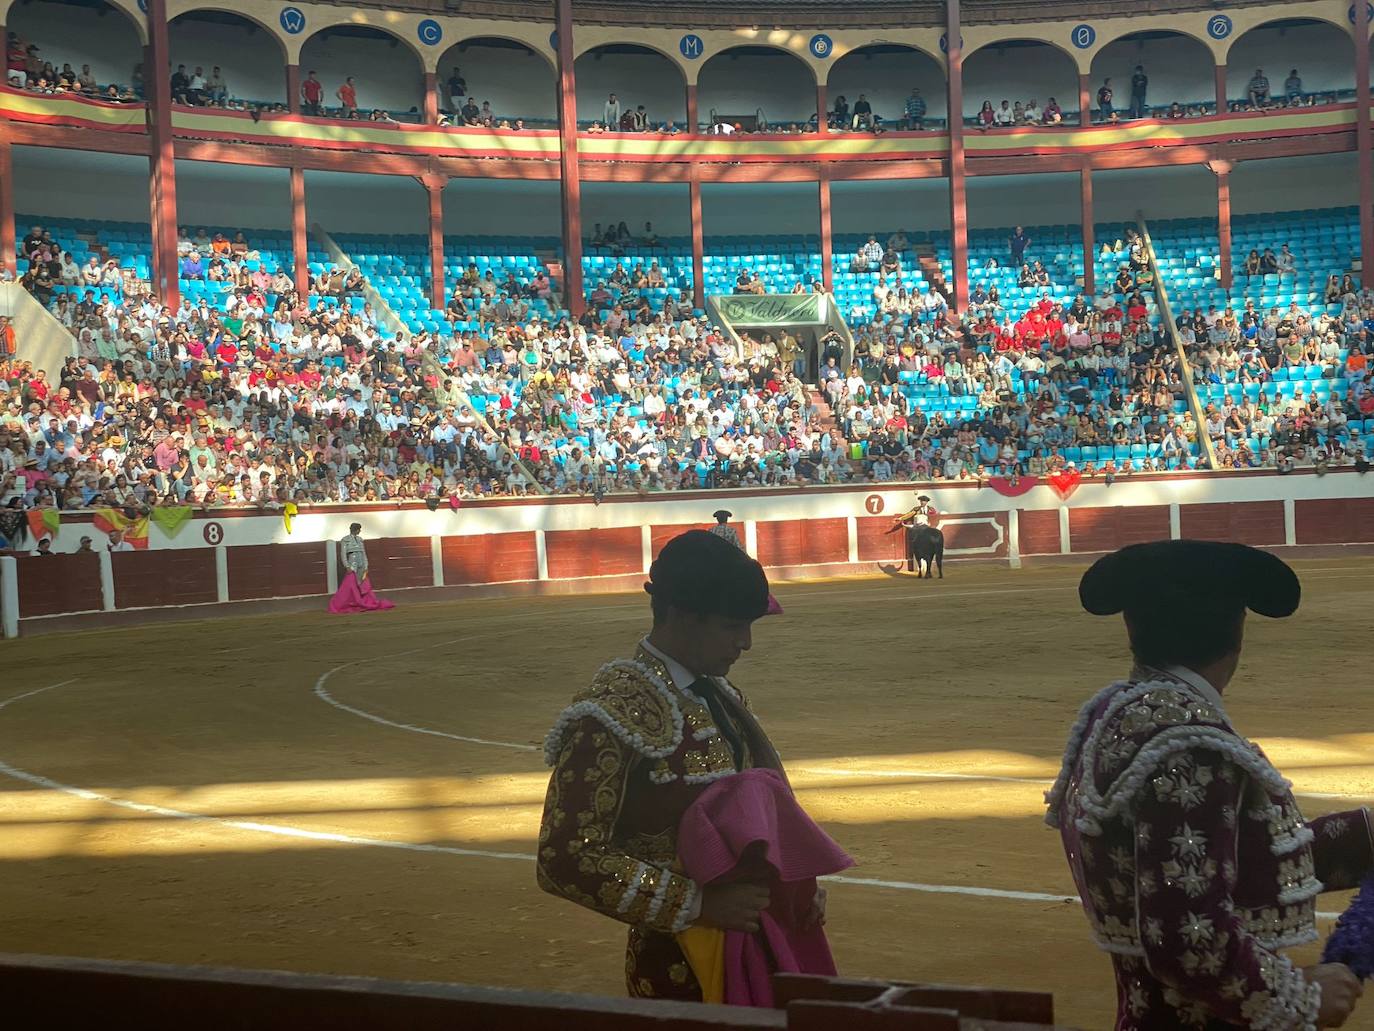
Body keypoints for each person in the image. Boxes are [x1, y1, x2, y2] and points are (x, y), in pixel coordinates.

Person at [1046, 541, 1372, 1030]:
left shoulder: (1117, 713)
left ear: (1134, 628)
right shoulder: (1189, 745)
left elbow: (1229, 863)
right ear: (1236, 629)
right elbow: (1188, 938)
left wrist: (1365, 835)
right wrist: (1298, 998)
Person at [537, 530, 819, 1001]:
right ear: (681, 615)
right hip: (675, 963)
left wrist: (788, 888)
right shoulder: (612, 712)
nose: (745, 643)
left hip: (759, 942)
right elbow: (564, 859)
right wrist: (697, 904)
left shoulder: (721, 696)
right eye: (732, 627)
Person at [328, 522, 395, 613]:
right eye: (359, 529)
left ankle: (361, 601)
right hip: (352, 565)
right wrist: (347, 566)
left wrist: (366, 566)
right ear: (355, 530)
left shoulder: (360, 539)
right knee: (349, 586)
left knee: (363, 585)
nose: (360, 531)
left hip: (361, 564)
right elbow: (343, 554)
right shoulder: (345, 540)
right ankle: (349, 603)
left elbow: (363, 553)